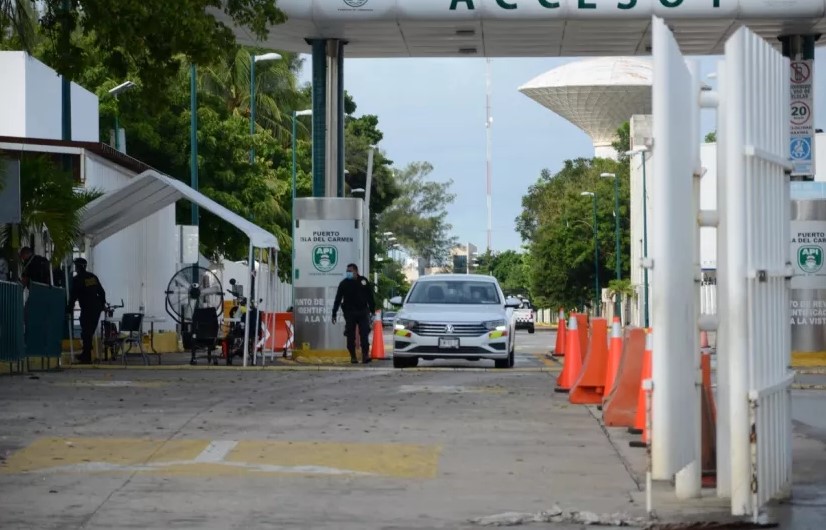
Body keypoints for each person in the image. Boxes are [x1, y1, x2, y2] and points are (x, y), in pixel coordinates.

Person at [332, 263, 375, 364]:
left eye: (350, 271)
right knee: (350, 335)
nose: (348, 273)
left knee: (364, 334)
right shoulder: (344, 283)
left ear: (356, 271)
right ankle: (353, 356)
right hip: (350, 312)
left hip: (362, 311)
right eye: (347, 271)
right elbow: (338, 299)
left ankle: (365, 355)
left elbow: (370, 297)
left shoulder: (363, 281)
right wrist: (334, 313)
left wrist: (372, 310)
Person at [67, 257, 106, 364]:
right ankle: (86, 354)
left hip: (87, 308)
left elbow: (73, 296)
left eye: (75, 266)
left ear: (77, 267)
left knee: (86, 332)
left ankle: (86, 356)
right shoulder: (92, 277)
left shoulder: (77, 279)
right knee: (89, 331)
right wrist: (102, 304)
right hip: (96, 308)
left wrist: (69, 309)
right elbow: (102, 292)